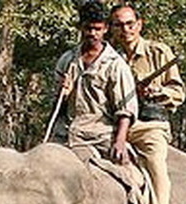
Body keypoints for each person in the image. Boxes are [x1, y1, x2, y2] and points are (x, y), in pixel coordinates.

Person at [109, 2, 185, 204]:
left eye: (130, 24)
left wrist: (157, 91)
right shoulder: (109, 57)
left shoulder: (159, 52)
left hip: (150, 124)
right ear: (112, 28)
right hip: (116, 126)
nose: (125, 29)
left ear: (139, 25)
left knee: (155, 164)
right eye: (119, 25)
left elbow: (178, 93)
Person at [53, 1, 139, 167]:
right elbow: (56, 106)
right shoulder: (67, 60)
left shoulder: (115, 64)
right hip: (67, 133)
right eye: (88, 28)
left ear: (105, 29)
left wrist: (120, 141)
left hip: (100, 134)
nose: (92, 33)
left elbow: (125, 110)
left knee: (131, 178)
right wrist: (63, 94)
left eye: (97, 29)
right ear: (80, 27)